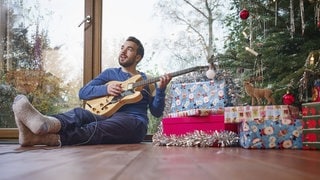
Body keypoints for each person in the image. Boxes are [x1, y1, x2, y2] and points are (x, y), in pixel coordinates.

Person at [12, 36, 172, 147]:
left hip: (133, 122)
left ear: (137, 57)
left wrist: (162, 90)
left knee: (99, 127)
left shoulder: (148, 81)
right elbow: (84, 92)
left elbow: (156, 112)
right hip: (105, 114)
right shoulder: (110, 74)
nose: (123, 51)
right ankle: (43, 124)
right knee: (80, 113)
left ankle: (47, 138)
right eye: (122, 47)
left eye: (129, 49)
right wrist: (106, 88)